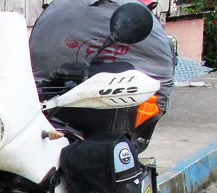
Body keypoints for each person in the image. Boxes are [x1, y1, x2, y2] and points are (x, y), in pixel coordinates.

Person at [29, 0, 175, 148]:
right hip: (53, 112)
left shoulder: (134, 31)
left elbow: (156, 83)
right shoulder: (62, 14)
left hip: (113, 121)